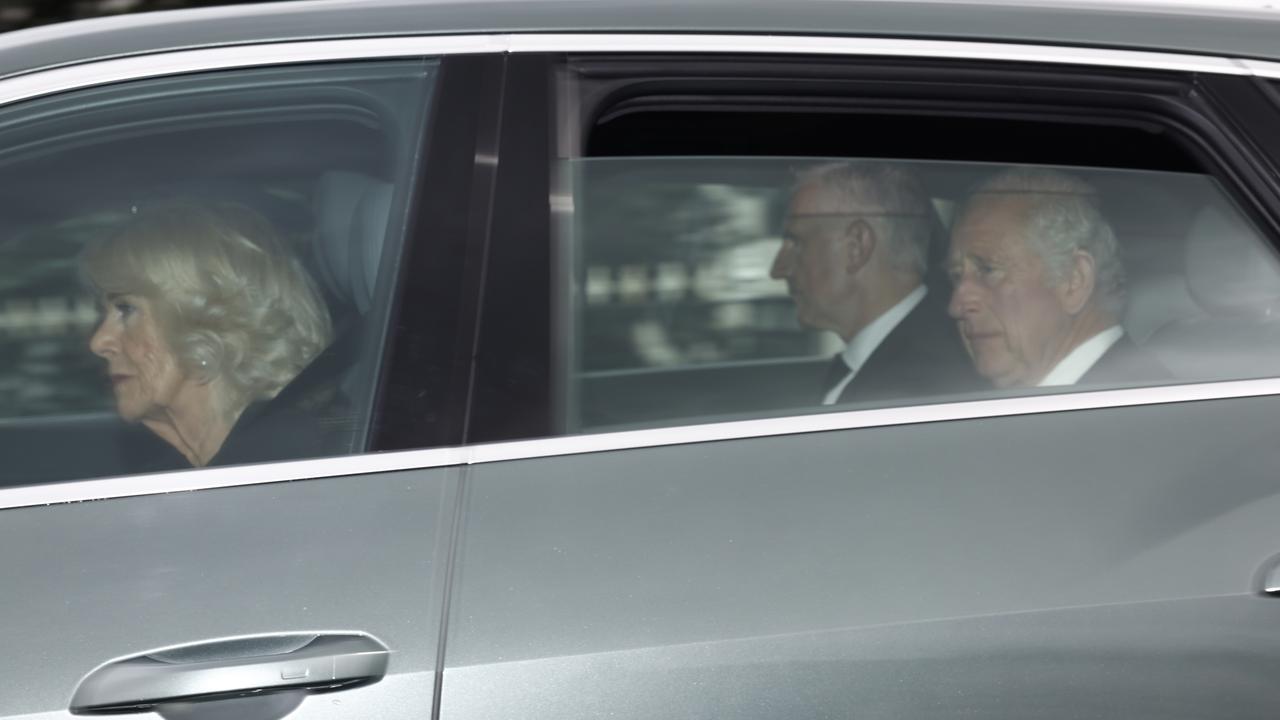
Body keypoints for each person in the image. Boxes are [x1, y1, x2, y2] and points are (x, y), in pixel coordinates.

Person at [83, 201, 333, 468]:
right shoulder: (211, 469)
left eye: (126, 308)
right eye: (105, 311)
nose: (99, 342)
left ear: (209, 323)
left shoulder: (285, 465)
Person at [769, 161, 976, 405]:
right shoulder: (899, 361)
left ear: (856, 247)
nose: (777, 269)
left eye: (797, 243)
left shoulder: (914, 390)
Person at [947, 167, 1166, 389]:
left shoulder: (1137, 410)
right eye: (956, 276)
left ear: (1073, 281)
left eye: (988, 269)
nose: (955, 306)